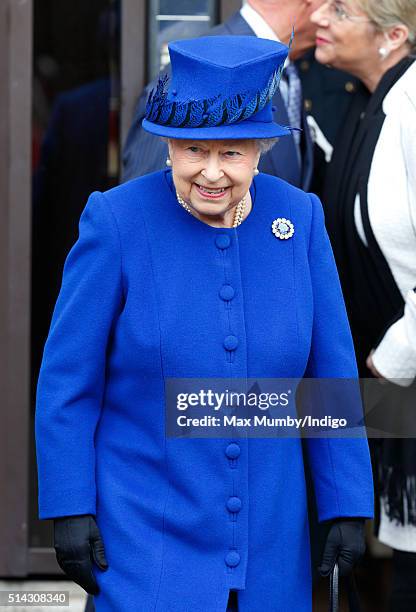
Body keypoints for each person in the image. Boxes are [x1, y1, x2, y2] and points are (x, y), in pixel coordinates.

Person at [35, 35, 374, 612]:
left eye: (233, 153)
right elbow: (69, 380)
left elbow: (329, 375)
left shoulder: (301, 219)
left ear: (262, 149)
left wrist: (346, 503)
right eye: (194, 151)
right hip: (145, 541)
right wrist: (69, 503)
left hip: (270, 544)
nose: (212, 173)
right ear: (167, 146)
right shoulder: (116, 221)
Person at [311, 0, 416, 609]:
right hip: (390, 391)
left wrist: (391, 358)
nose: (321, 15)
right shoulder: (365, 105)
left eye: (342, 9)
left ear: (393, 35)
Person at [122, 0, 328, 190]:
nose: (331, 13)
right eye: (334, 3)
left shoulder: (288, 69)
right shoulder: (203, 71)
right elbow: (145, 203)